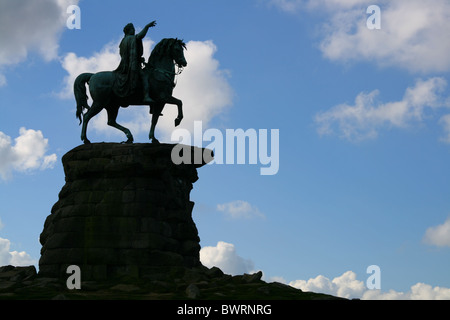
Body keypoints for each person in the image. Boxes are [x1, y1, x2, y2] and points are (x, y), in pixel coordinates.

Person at [113, 21, 156, 103]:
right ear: (129, 30)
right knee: (144, 77)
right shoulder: (131, 38)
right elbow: (140, 36)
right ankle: (146, 96)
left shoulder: (123, 41)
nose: (134, 31)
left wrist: (140, 59)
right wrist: (147, 26)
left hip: (126, 64)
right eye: (133, 29)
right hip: (132, 64)